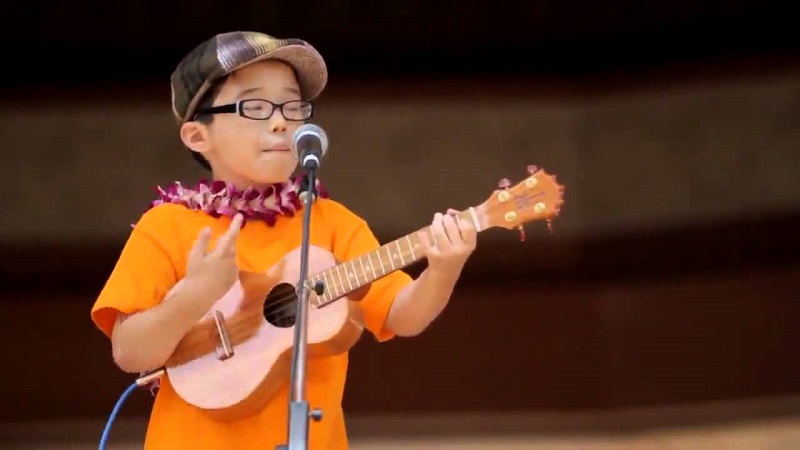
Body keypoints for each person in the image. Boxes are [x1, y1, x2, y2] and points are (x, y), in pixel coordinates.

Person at [90, 31, 477, 450]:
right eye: (254, 106)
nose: (281, 121)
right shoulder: (168, 225)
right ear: (198, 136)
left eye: (293, 106)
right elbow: (130, 353)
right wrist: (195, 296)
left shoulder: (332, 222)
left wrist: (444, 267)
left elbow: (403, 316)